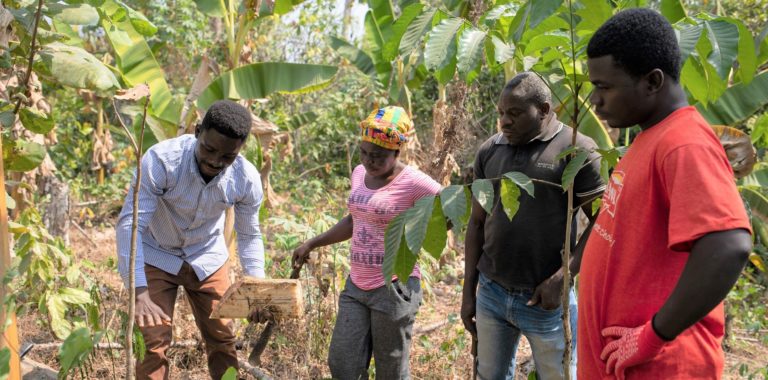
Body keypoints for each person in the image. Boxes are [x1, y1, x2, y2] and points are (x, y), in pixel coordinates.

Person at [579, 8, 753, 379]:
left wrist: (654, 335)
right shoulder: (651, 137)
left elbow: (728, 243)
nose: (595, 100)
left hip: (663, 368)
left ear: (652, 81)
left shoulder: (683, 143)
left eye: (604, 86)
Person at [461, 72, 605, 380]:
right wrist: (468, 293)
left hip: (546, 301)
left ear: (543, 109)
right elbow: (476, 224)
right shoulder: (490, 150)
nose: (504, 122)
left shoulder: (576, 148)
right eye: (501, 113)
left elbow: (603, 222)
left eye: (514, 114)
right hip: (492, 292)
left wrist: (563, 276)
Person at [116, 100, 267, 380]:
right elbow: (130, 225)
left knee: (223, 338)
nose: (215, 161)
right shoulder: (162, 161)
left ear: (239, 151)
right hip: (156, 253)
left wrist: (257, 288)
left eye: (227, 157)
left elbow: (249, 235)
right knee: (152, 341)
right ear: (198, 131)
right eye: (209, 149)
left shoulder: (245, 178)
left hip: (207, 257)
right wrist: (139, 292)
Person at [292, 106, 441, 379]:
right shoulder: (359, 173)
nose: (369, 160)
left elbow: (449, 209)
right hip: (356, 285)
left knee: (391, 370)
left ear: (397, 152)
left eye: (378, 156)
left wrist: (419, 232)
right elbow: (353, 220)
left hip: (394, 287)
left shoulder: (415, 183)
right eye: (364, 152)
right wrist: (312, 243)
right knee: (343, 364)